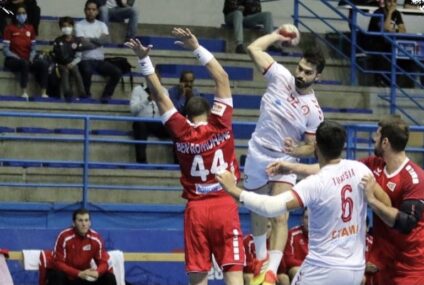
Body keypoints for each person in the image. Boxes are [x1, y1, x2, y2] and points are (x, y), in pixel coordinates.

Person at [125, 27, 245, 285]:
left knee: (198, 278)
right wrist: (195, 47)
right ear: (210, 111)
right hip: (225, 204)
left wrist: (144, 59)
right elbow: (222, 78)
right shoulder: (221, 124)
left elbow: (159, 95)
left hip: (196, 211)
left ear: (187, 116)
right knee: (234, 277)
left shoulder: (181, 131)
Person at [217, 120, 391, 285]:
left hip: (321, 270)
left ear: (316, 147)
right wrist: (371, 199)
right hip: (355, 269)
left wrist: (234, 190)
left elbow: (271, 207)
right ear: (342, 145)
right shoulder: (359, 169)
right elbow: (386, 202)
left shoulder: (315, 183)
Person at [268, 116, 424, 285]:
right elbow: (330, 170)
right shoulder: (373, 164)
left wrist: (372, 200)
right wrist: (289, 167)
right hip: (383, 257)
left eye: (377, 135)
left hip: (410, 262)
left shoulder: (414, 178)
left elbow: (406, 222)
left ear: (385, 142)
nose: (373, 139)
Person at [242, 25, 325, 285]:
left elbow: (311, 147)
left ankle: (270, 270)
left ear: (317, 77)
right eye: (300, 68)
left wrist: (294, 151)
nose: (301, 74)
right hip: (257, 152)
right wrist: (277, 36)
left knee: (279, 214)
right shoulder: (279, 76)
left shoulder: (313, 110)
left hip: (285, 161)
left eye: (308, 72)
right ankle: (261, 258)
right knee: (257, 211)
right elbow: (253, 48)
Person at [48, 208, 117, 285]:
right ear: (74, 223)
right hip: (67, 277)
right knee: (56, 275)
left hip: (84, 276)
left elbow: (104, 262)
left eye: (86, 220)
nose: (84, 224)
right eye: (80, 220)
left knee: (109, 277)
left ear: (90, 223)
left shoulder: (96, 239)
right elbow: (58, 263)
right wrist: (78, 273)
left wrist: (97, 272)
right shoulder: (63, 237)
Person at [76, 0, 122, 103]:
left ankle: (106, 95)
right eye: (88, 9)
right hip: (85, 59)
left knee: (117, 72)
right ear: (85, 11)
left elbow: (105, 40)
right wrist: (98, 42)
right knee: (87, 71)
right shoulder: (79, 25)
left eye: (93, 9)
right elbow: (83, 43)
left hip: (100, 60)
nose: (91, 12)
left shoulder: (102, 25)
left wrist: (90, 40)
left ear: (97, 12)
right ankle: (86, 94)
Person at [2, 4, 49, 99]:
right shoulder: (9, 28)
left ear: (27, 15)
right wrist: (17, 58)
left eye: (24, 13)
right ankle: (24, 92)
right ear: (15, 15)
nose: (21, 15)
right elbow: (5, 50)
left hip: (27, 59)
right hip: (12, 60)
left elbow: (33, 47)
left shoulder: (30, 29)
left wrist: (31, 57)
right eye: (19, 13)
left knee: (43, 64)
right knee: (24, 63)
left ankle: (44, 92)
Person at [130, 80, 172, 163]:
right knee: (140, 126)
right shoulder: (138, 89)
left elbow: (168, 110)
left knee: (175, 129)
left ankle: (179, 161)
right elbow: (133, 110)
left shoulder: (164, 91)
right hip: (142, 122)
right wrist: (147, 100)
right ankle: (141, 161)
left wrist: (161, 101)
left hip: (158, 123)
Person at [52, 16, 87, 101]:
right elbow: (57, 55)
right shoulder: (57, 40)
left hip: (72, 63)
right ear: (61, 28)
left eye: (68, 26)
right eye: (64, 26)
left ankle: (82, 92)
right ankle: (67, 93)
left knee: (76, 70)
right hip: (61, 64)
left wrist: (72, 63)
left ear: (72, 26)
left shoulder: (77, 41)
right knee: (64, 71)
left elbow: (79, 56)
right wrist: (65, 63)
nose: (66, 28)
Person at [284, 209, 308, 281]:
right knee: (297, 271)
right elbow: (288, 260)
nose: (309, 221)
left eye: (312, 218)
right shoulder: (292, 233)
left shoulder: (321, 236)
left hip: (315, 268)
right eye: (306, 218)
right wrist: (307, 265)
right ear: (301, 219)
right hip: (298, 267)